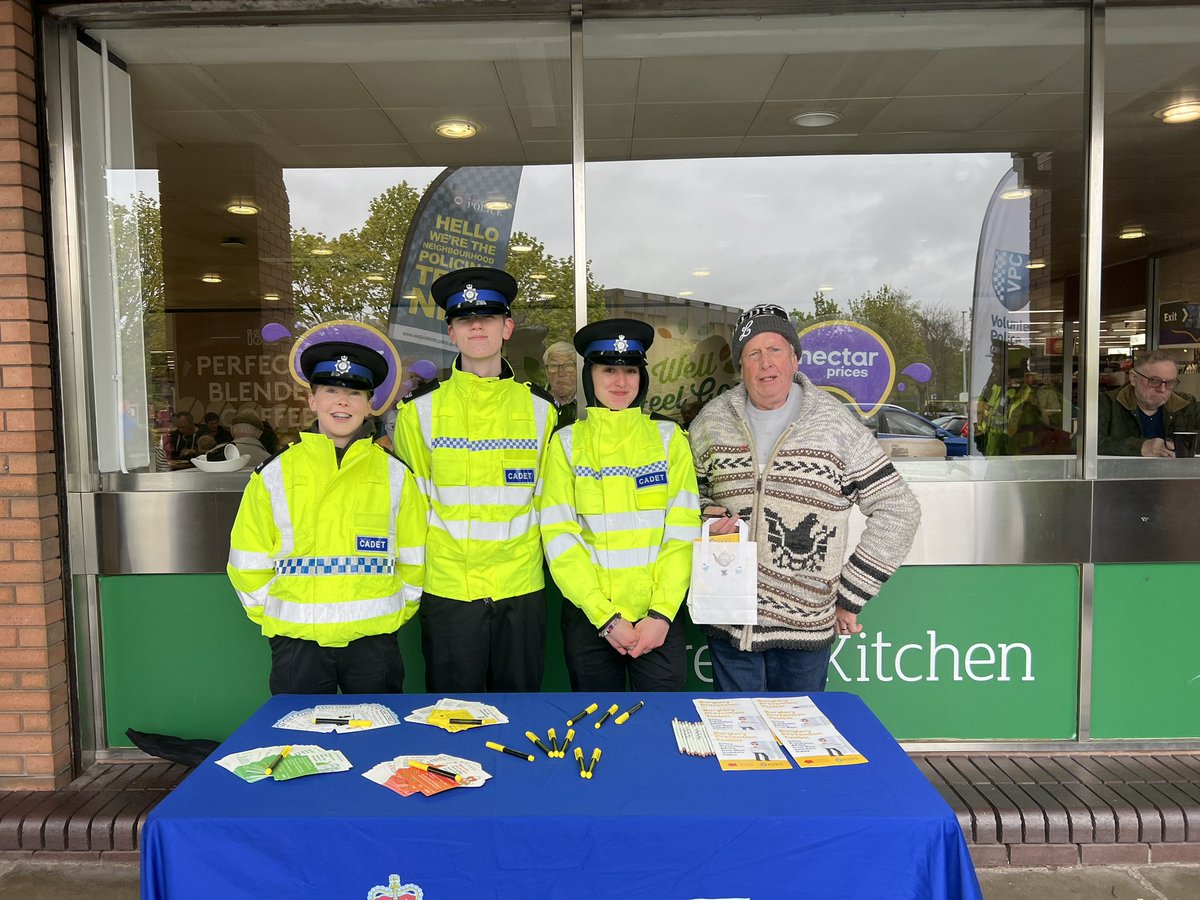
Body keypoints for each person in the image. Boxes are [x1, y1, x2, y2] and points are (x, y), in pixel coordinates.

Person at [688, 304, 920, 693]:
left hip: (805, 628)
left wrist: (850, 593)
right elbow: (684, 498)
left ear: (795, 358)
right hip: (729, 620)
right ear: (741, 366)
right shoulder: (710, 423)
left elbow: (899, 509)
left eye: (775, 349)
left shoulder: (834, 425)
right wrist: (704, 513)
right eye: (753, 353)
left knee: (799, 742)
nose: (766, 364)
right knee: (742, 746)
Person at [227, 340, 428, 694]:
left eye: (354, 394)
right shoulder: (273, 474)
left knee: (376, 742)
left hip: (374, 642)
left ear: (369, 405)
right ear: (312, 400)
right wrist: (273, 614)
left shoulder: (397, 474)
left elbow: (415, 556)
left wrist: (397, 610)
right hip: (297, 644)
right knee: (301, 745)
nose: (342, 401)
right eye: (331, 390)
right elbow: (247, 559)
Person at [392, 267, 557, 692]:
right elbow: (413, 509)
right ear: (451, 332)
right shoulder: (418, 412)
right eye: (465, 319)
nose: (477, 326)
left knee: (520, 715)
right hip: (448, 592)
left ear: (508, 327)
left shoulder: (542, 410)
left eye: (487, 318)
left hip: (520, 589)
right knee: (453, 721)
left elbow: (550, 502)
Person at [539, 319, 701, 692]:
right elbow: (559, 537)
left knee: (659, 728)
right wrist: (605, 616)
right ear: (590, 376)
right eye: (608, 369)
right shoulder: (565, 444)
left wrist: (661, 614)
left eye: (630, 370)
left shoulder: (668, 440)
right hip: (591, 621)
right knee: (597, 732)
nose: (620, 381)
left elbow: (683, 532)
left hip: (658, 619)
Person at [1098, 349, 1200, 457]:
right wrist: (1140, 447)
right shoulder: (1108, 403)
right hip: (1122, 472)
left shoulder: (1187, 404)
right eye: (1154, 381)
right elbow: (1083, 443)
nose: (1162, 389)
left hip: (1174, 473)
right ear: (1133, 378)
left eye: (1170, 383)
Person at [543, 340, 578, 431]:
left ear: (578, 369)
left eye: (569, 365)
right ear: (546, 372)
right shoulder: (535, 401)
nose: (561, 373)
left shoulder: (588, 402)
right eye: (554, 366)